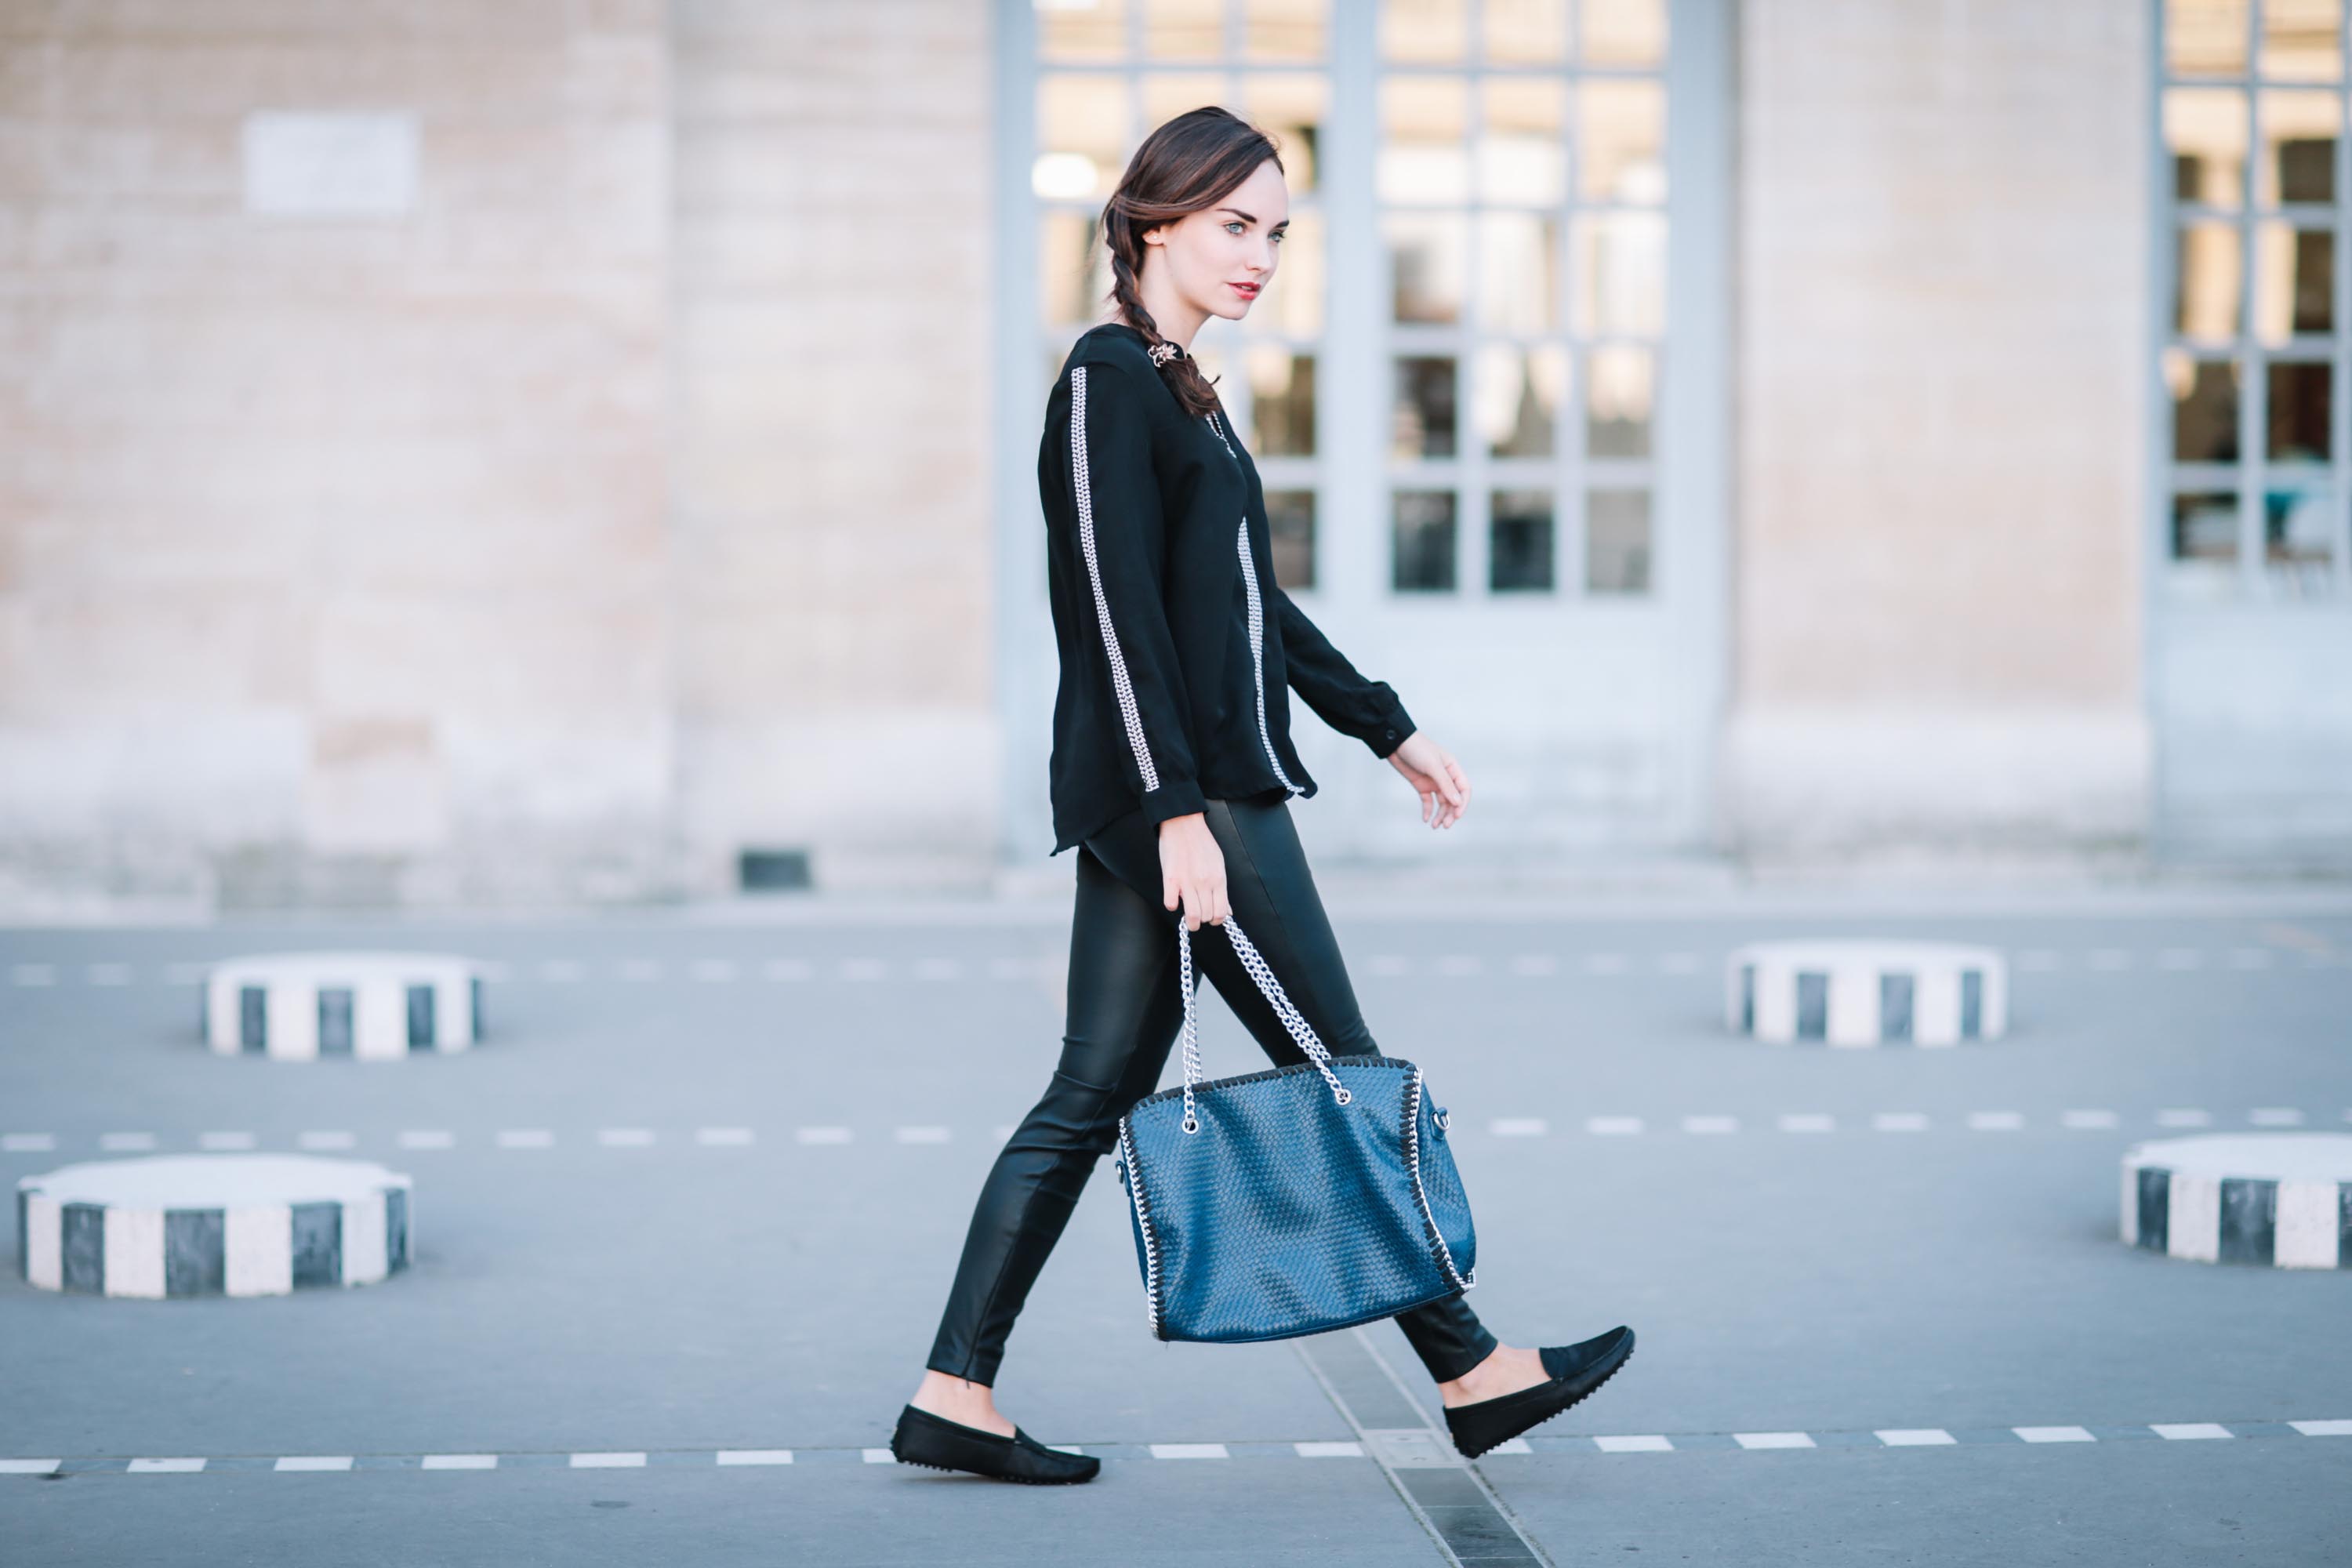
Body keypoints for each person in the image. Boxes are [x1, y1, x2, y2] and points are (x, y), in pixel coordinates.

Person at [890, 107, 1634, 1485]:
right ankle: (1471, 1368)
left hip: (1178, 789)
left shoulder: (1179, 387)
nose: (1262, 257)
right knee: (1339, 1070)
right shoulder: (1107, 382)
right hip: (1192, 799)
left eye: (1279, 234)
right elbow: (1110, 613)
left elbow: (1246, 607)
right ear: (1153, 221)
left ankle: (955, 1389)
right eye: (1235, 225)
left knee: (1092, 1086)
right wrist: (1176, 807)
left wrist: (1383, 728)